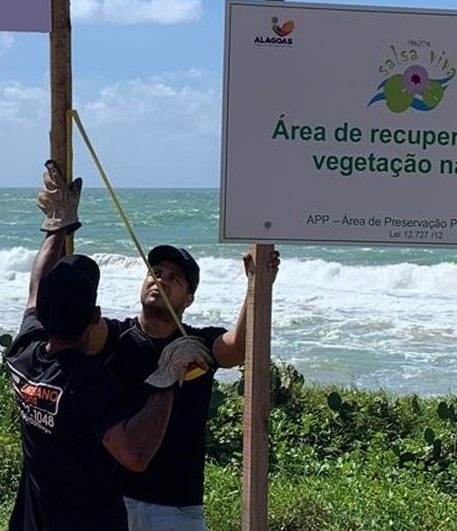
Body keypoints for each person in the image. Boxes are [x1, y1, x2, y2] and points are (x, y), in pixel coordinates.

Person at [31, 160, 280, 531]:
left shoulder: (198, 343)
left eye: (174, 278)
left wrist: (256, 284)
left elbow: (240, 347)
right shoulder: (114, 335)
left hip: (177, 508)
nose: (160, 280)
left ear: (189, 298)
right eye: (155, 272)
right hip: (113, 497)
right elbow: (62, 317)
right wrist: (60, 226)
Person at [7, 247, 214, 530]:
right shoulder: (88, 379)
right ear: (96, 318)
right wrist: (165, 379)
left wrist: (55, 230)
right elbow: (135, 454)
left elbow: (35, 288)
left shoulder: (24, 349)